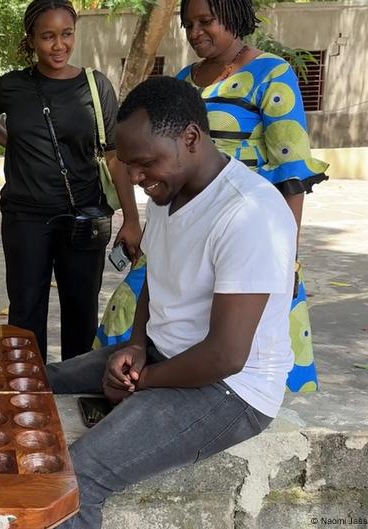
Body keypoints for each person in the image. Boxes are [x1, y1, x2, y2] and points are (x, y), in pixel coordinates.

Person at [48, 76, 297, 529]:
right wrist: (137, 347)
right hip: (165, 356)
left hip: (231, 390)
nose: (137, 179)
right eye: (129, 166)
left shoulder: (249, 214)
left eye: (145, 164)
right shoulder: (167, 194)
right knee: (36, 383)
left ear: (190, 138)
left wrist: (142, 383)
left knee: (76, 477)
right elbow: (155, 282)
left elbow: (226, 355)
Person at [97, 0, 327, 392]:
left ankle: (219, 401)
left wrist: (286, 252)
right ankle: (135, 377)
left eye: (206, 21)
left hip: (243, 227)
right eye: (188, 24)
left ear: (234, 16)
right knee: (132, 310)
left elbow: (292, 173)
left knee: (241, 335)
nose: (195, 32)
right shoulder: (185, 79)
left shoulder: (271, 73)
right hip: (183, 219)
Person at [0, 0, 141, 362]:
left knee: (80, 311)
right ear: (31, 38)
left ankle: (71, 389)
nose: (58, 45)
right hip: (24, 218)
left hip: (83, 214)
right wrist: (12, 142)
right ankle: (27, 390)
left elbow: (113, 156)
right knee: (26, 311)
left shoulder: (96, 87)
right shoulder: (13, 86)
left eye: (66, 34)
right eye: (47, 36)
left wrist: (132, 218)